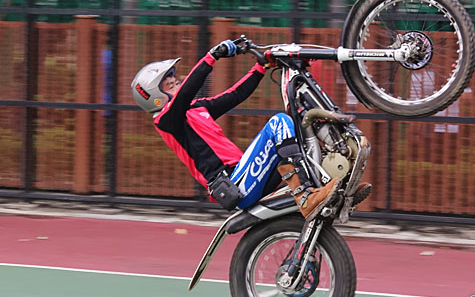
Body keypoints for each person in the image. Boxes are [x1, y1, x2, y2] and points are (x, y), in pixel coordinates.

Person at [131, 39, 370, 221]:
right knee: (278, 124)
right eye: (170, 84)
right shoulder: (166, 121)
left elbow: (235, 95)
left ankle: (337, 188)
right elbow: (187, 92)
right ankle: (306, 197)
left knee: (296, 132)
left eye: (175, 79)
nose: (178, 83)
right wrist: (212, 57)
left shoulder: (196, 109)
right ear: (156, 99)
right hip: (233, 184)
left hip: (247, 175)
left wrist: (260, 67)